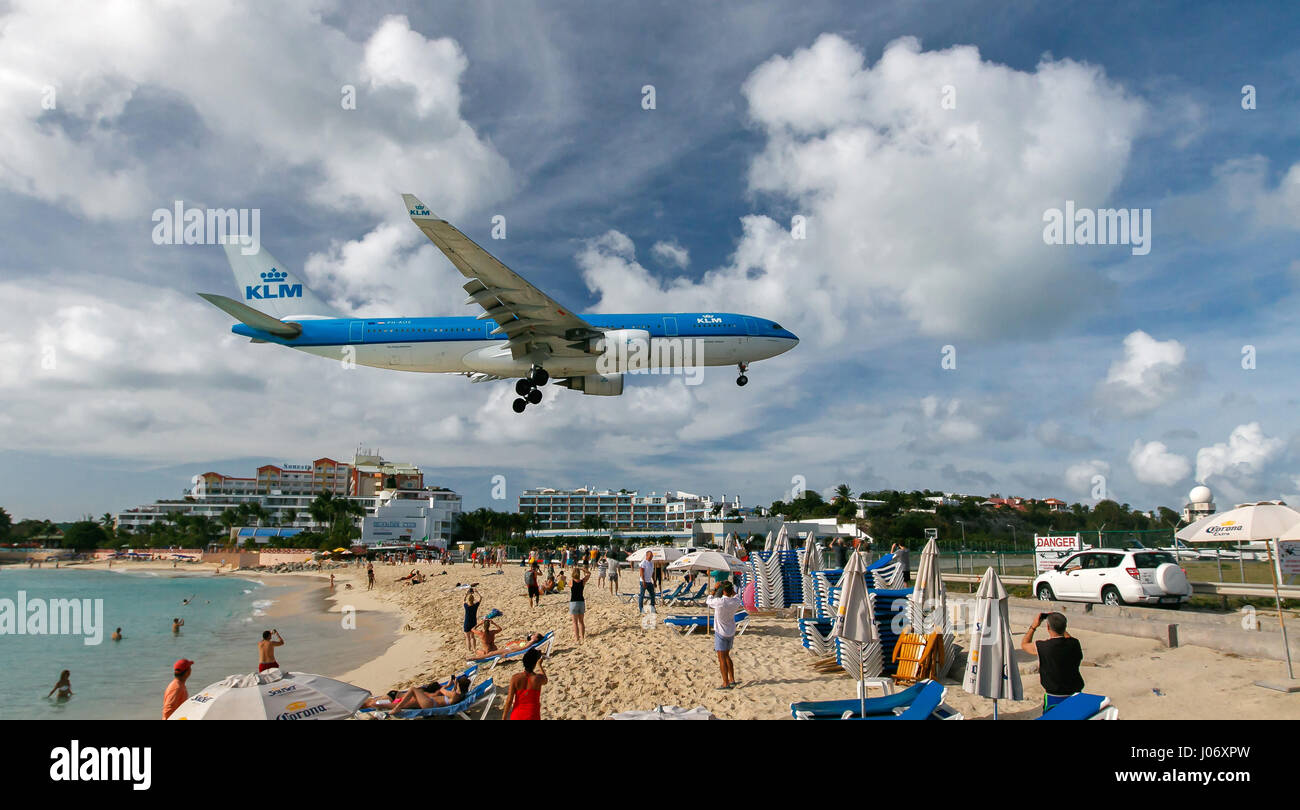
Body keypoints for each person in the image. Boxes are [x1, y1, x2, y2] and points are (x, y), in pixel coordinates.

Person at [1020, 611, 1084, 713]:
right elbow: (1067, 637)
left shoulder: (1043, 647)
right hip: (1075, 694)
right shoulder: (1074, 644)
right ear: (1064, 627)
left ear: (1048, 628)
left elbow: (1024, 644)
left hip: (1054, 697)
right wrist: (1058, 624)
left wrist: (1033, 626)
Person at [705, 582, 744, 689]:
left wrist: (714, 588)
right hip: (730, 632)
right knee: (727, 656)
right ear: (731, 590)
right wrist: (731, 590)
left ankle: (725, 683)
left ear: (723, 591)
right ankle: (732, 679)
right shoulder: (735, 601)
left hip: (720, 632)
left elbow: (708, 600)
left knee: (721, 658)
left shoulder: (719, 602)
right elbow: (737, 596)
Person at [501, 647, 547, 720]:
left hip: (517, 714)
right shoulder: (538, 678)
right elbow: (545, 680)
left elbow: (509, 700)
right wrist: (540, 665)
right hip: (532, 714)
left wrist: (504, 717)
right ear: (534, 664)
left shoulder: (515, 678)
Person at [387, 674, 471, 713]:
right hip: (430, 702)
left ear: (459, 686)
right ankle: (386, 705)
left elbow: (442, 690)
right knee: (409, 703)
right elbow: (449, 693)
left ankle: (397, 707)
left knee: (413, 689)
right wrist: (455, 685)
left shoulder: (454, 695)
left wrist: (452, 685)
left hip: (430, 703)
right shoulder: (460, 695)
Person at [569, 566, 590, 643]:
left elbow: (569, 584)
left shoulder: (571, 581)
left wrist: (576, 570)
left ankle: (577, 638)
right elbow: (589, 574)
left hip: (573, 602)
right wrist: (583, 569)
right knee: (581, 621)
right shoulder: (582, 581)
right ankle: (583, 637)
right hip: (581, 602)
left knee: (575, 622)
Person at [463, 587, 481, 652]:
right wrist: (477, 592)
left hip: (467, 622)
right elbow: (480, 598)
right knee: (472, 637)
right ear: (473, 600)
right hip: (473, 622)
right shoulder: (475, 606)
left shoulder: (466, 606)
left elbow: (463, 600)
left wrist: (466, 594)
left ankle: (469, 649)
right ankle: (474, 648)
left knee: (467, 637)